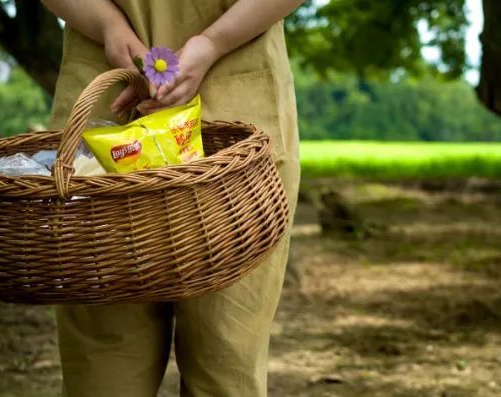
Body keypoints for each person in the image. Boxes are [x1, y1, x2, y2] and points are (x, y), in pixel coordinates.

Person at [39, 0, 303, 396]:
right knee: (105, 370)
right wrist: (108, 26)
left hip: (229, 130)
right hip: (109, 119)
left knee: (225, 360)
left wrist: (215, 42)